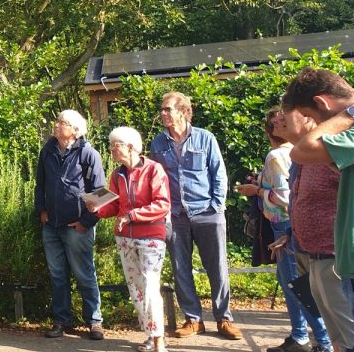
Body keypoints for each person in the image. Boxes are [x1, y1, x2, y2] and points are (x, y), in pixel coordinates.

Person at [236, 109, 333, 352]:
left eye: (282, 120)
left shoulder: (276, 155)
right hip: (292, 226)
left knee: (295, 285)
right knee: (291, 282)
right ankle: (300, 334)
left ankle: (322, 342)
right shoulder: (301, 151)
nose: (279, 122)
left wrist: (256, 191)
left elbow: (283, 196)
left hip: (285, 225)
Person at [149, 92, 242, 340]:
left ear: (183, 111)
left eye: (167, 109)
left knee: (218, 267)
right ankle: (193, 319)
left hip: (207, 212)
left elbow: (219, 174)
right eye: (162, 109)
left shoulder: (205, 138)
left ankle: (223, 318)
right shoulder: (158, 143)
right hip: (175, 215)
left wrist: (217, 206)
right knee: (181, 268)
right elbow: (156, 179)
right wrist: (163, 210)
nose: (163, 113)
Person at [283, 67, 354, 345]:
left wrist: (350, 112)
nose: (315, 125)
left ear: (323, 103)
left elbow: (302, 149)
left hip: (342, 257)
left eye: (312, 117)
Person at [88, 126, 170, 352]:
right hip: (124, 238)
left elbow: (162, 204)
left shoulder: (154, 169)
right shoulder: (117, 174)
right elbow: (114, 206)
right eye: (112, 144)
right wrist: (96, 208)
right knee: (136, 289)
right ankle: (149, 336)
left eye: (116, 145)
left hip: (151, 236)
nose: (112, 149)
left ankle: (158, 340)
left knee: (151, 286)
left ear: (131, 147)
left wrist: (133, 215)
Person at [35, 109, 105, 340]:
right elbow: (40, 185)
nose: (56, 125)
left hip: (77, 227)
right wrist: (42, 211)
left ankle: (94, 321)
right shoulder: (47, 151)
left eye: (62, 123)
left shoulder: (88, 154)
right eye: (57, 121)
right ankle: (60, 321)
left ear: (75, 130)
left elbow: (100, 193)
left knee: (84, 274)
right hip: (52, 226)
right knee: (57, 276)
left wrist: (86, 222)